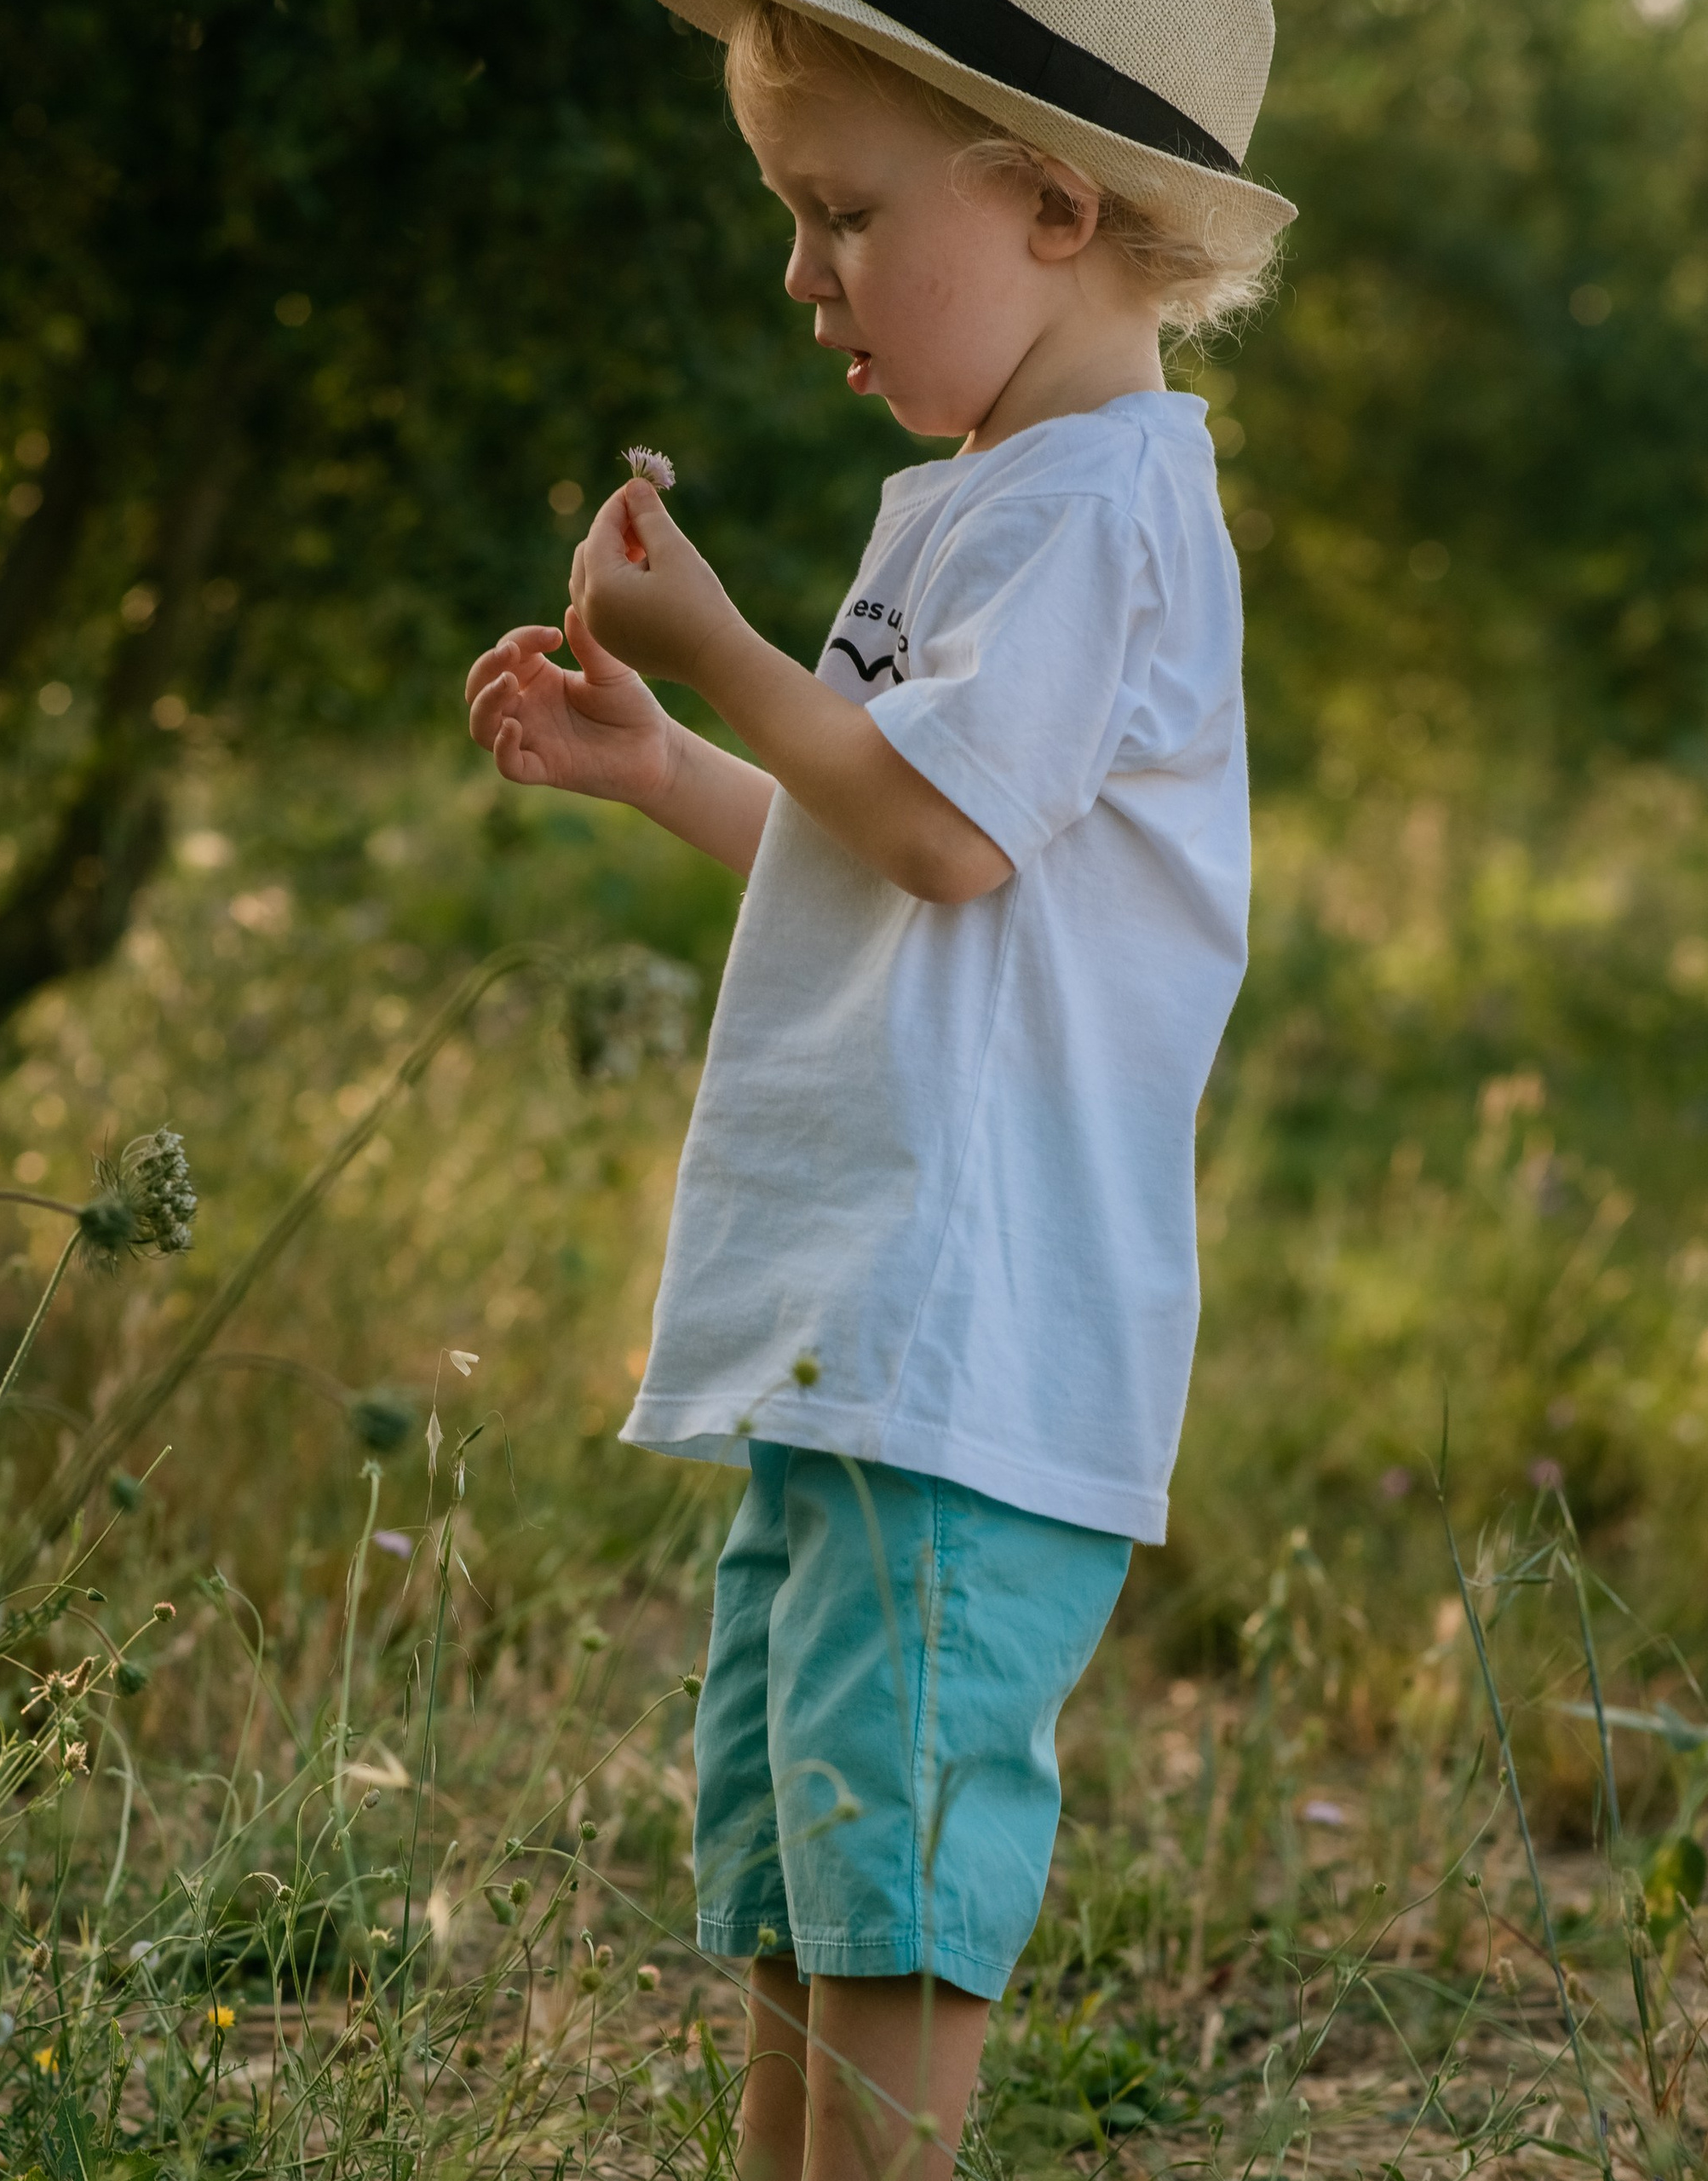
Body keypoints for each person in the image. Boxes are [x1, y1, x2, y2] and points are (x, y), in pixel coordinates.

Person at [464, 3, 1293, 2172]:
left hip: (967, 1344)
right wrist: (672, 767)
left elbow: (937, 833)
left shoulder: (1102, 507)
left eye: (838, 213)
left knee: (894, 1885)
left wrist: (720, 656)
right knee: (803, 1858)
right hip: (866, 1338)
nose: (797, 274)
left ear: (1052, 203)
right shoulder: (972, 504)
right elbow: (891, 883)